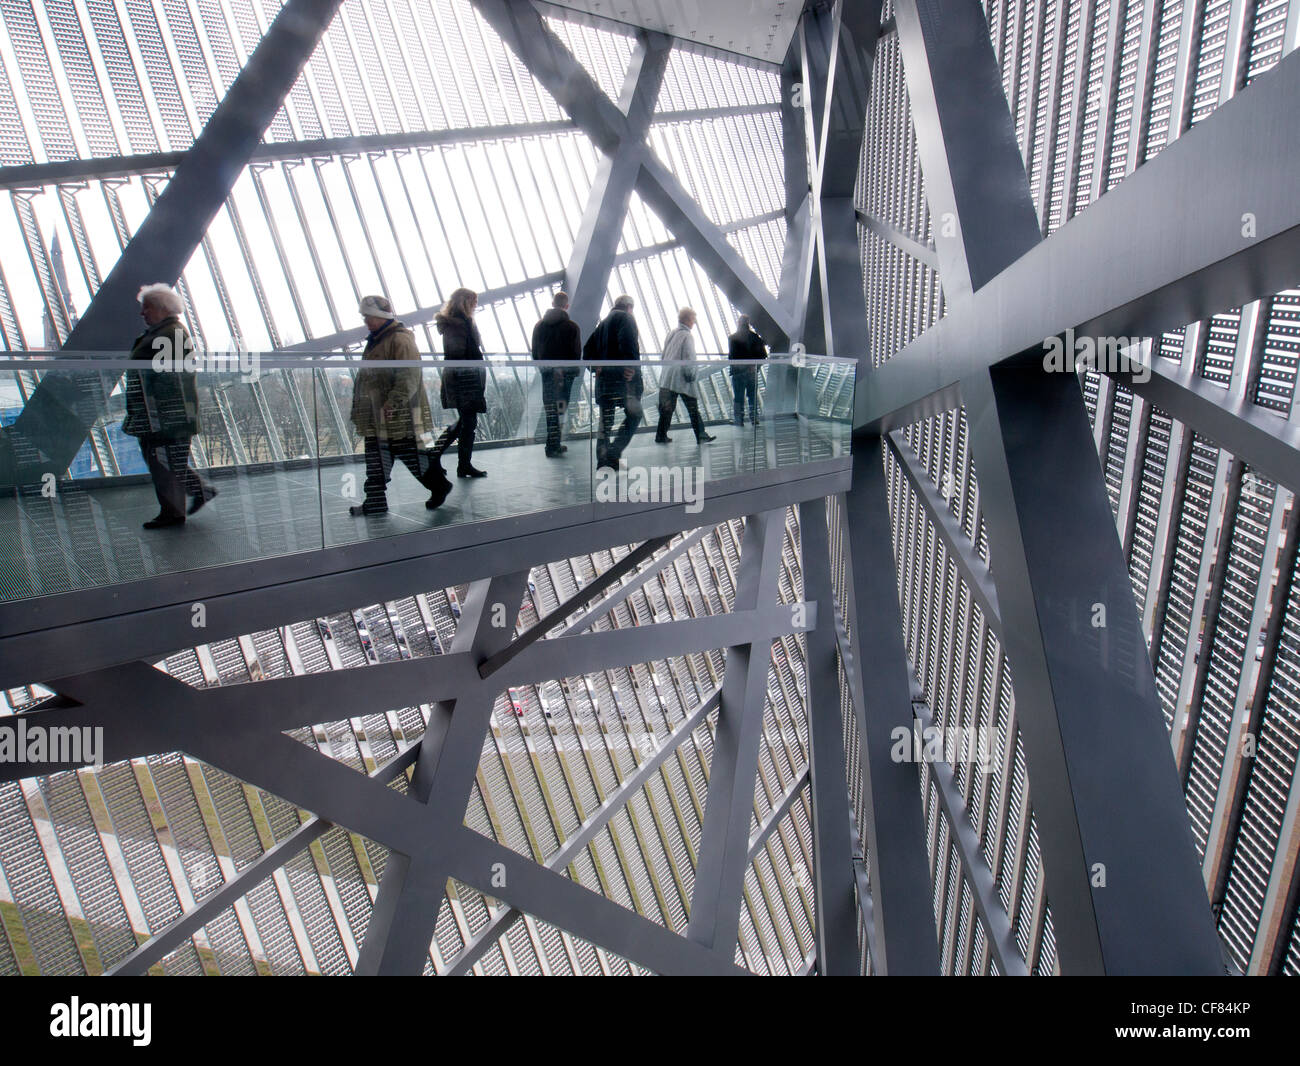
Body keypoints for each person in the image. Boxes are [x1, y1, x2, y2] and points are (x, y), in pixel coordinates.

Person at [121, 283, 217, 529]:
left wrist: (156, 411)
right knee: (168, 462)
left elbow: (171, 377)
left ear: (162, 308)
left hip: (164, 417)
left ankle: (173, 512)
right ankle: (194, 495)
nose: (143, 313)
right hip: (160, 416)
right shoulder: (164, 332)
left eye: (147, 307)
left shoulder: (169, 334)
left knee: (164, 463)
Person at [348, 294, 451, 516]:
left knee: (410, 456)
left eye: (368, 316)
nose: (365, 321)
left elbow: (408, 374)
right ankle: (375, 501)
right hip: (381, 413)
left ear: (380, 316)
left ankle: (439, 486)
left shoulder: (399, 340)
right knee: (377, 459)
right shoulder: (379, 338)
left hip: (397, 415)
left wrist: (393, 403)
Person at [432, 287, 488, 477]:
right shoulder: (459, 324)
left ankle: (442, 457)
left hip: (464, 379)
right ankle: (457, 462)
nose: (475, 306)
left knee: (466, 422)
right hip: (465, 380)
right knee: (468, 422)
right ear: (466, 302)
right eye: (473, 302)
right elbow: (458, 354)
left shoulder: (457, 324)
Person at [583, 295, 643, 471]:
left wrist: (596, 368)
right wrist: (631, 367)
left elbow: (586, 353)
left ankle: (603, 461)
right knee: (635, 414)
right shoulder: (626, 318)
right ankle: (614, 453)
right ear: (629, 307)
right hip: (623, 382)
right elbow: (628, 343)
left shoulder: (602, 325)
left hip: (604, 383)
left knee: (605, 422)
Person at [531, 291, 581, 457]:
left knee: (550, 409)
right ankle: (554, 444)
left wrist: (544, 369)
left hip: (547, 374)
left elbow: (535, 353)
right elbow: (575, 354)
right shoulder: (572, 327)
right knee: (561, 409)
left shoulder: (539, 326)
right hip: (565, 375)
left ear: (552, 304)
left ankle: (551, 445)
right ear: (566, 306)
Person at [655, 307, 715, 445]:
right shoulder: (687, 336)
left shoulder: (672, 333)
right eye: (693, 320)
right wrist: (691, 375)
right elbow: (689, 358)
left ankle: (660, 435)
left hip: (667, 376)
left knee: (666, 409)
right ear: (688, 320)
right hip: (680, 378)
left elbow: (664, 355)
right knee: (693, 407)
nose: (694, 323)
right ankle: (701, 435)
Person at [728, 314, 767, 427]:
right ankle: (754, 418)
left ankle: (739, 420)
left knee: (739, 397)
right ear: (748, 323)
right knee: (752, 396)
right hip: (752, 372)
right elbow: (763, 356)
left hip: (738, 373)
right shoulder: (755, 337)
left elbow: (732, 357)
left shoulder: (733, 338)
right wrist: (755, 367)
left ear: (739, 323)